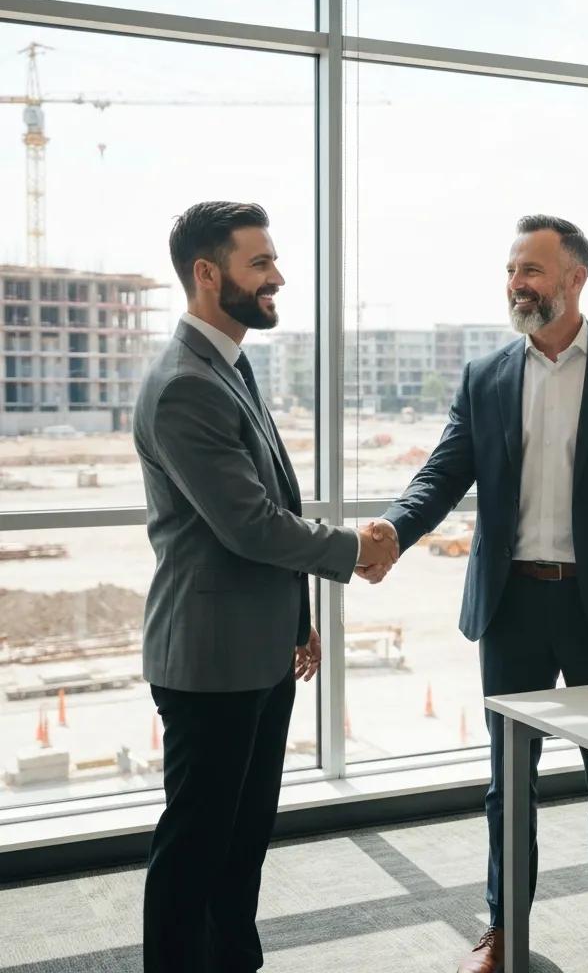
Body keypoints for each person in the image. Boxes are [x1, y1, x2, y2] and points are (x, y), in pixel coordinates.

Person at [361, 214, 588, 973]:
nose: (517, 283)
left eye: (532, 270)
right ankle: (505, 928)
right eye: (512, 269)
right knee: (509, 781)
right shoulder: (486, 376)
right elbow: (441, 475)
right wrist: (393, 533)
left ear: (575, 279)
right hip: (513, 605)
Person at [134, 201, 396, 972]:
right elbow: (249, 525)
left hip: (256, 650)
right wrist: (356, 547)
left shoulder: (229, 365)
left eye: (274, 260)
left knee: (241, 842)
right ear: (207, 274)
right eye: (260, 263)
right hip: (210, 660)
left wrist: (295, 619)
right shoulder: (187, 383)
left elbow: (271, 505)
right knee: (196, 849)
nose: (278, 275)